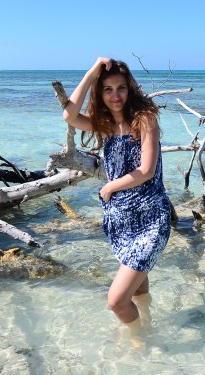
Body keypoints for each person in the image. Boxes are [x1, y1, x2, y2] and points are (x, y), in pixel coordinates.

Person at [62, 58, 173, 335]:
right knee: (139, 287)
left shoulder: (144, 119)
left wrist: (110, 187)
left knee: (116, 301)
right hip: (122, 221)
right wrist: (90, 74)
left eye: (121, 88)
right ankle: (147, 324)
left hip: (151, 220)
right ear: (100, 93)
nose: (115, 95)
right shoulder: (106, 124)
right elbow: (69, 115)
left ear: (129, 88)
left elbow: (146, 171)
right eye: (108, 89)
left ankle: (139, 341)